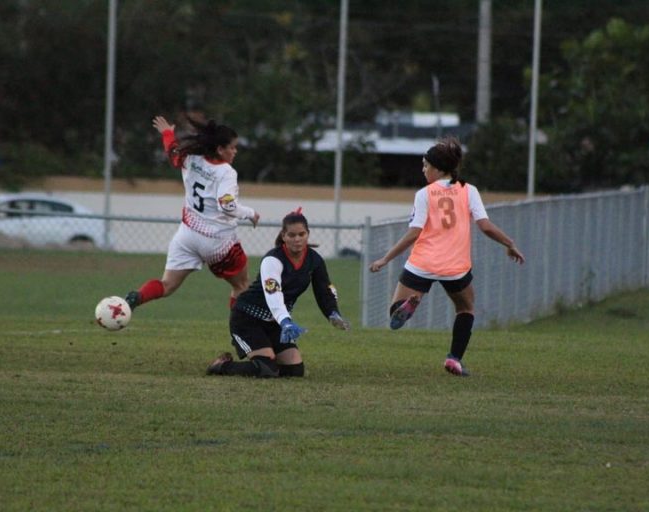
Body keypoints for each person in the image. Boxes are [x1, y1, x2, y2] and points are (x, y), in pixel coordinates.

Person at [369, 136, 525, 377]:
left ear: (439, 169)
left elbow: (414, 233)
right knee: (466, 309)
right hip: (456, 267)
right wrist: (509, 243)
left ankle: (410, 303)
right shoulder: (468, 190)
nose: (423, 170)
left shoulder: (425, 194)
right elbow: (485, 226)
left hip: (422, 263)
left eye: (425, 166)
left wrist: (385, 259)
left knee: (394, 313)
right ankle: (454, 359)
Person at [124, 114, 260, 313]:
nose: (235, 151)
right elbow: (227, 205)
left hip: (187, 235)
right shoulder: (226, 172)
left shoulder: (191, 157)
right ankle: (240, 334)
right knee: (241, 286)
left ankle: (138, 296)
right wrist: (250, 213)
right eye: (232, 147)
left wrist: (168, 133)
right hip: (218, 241)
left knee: (167, 284)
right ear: (220, 149)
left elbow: (172, 152)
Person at [206, 208, 350, 378]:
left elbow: (324, 290)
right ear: (283, 236)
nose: (297, 239)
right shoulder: (272, 260)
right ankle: (222, 366)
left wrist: (333, 313)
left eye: (301, 234)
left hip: (275, 322)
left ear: (308, 234)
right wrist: (286, 322)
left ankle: (265, 363)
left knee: (295, 371)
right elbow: (273, 296)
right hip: (247, 319)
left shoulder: (314, 260)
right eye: (292, 235)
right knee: (267, 369)